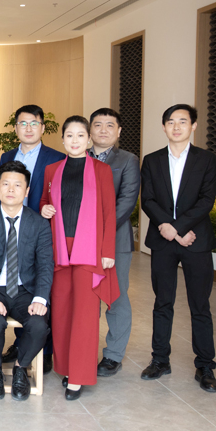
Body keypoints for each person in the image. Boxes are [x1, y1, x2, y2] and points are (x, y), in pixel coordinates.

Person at [139, 104, 216, 393]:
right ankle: (160, 359)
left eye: (183, 121)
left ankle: (205, 365)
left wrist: (179, 228)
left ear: (193, 126)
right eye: (171, 122)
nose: (176, 127)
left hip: (196, 240)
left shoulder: (206, 159)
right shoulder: (152, 160)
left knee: (200, 304)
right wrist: (168, 227)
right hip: (163, 241)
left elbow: (206, 200)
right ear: (164, 127)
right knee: (163, 302)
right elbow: (147, 199)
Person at [39, 115, 118, 400]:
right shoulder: (52, 170)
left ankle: (79, 376)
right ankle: (67, 368)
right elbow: (45, 201)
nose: (75, 141)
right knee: (61, 312)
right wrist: (45, 208)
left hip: (90, 249)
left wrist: (108, 252)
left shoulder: (101, 170)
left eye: (80, 135)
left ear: (89, 139)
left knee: (84, 315)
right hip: (60, 248)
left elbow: (109, 211)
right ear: (62, 140)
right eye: (69, 136)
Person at [0, 161, 53, 401]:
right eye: (5, 184)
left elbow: (45, 265)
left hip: (25, 290)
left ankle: (21, 368)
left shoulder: (39, 223)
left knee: (39, 325)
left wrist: (40, 299)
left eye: (17, 185)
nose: (10, 189)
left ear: (26, 191)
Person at [0, 104, 63, 371]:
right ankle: (20, 343)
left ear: (43, 127)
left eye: (34, 123)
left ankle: (43, 350)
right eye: (23, 123)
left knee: (39, 286)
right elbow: (1, 191)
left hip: (41, 230)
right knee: (16, 285)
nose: (28, 128)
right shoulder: (7, 156)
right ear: (15, 128)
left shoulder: (56, 158)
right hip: (11, 229)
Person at [88, 108, 140, 377]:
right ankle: (85, 351)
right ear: (90, 130)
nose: (103, 130)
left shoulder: (128, 160)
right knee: (86, 298)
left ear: (119, 131)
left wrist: (96, 230)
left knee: (115, 296)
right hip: (81, 243)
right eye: (98, 125)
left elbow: (127, 201)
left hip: (115, 240)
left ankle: (113, 355)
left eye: (110, 125)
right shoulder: (78, 156)